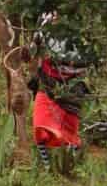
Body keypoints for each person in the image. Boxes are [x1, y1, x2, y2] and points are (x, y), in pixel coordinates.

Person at [27, 11, 89, 168]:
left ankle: (71, 163)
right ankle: (47, 165)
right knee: (40, 125)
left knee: (68, 132)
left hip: (74, 83)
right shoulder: (45, 21)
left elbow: (89, 57)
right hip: (49, 83)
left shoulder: (80, 23)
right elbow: (35, 50)